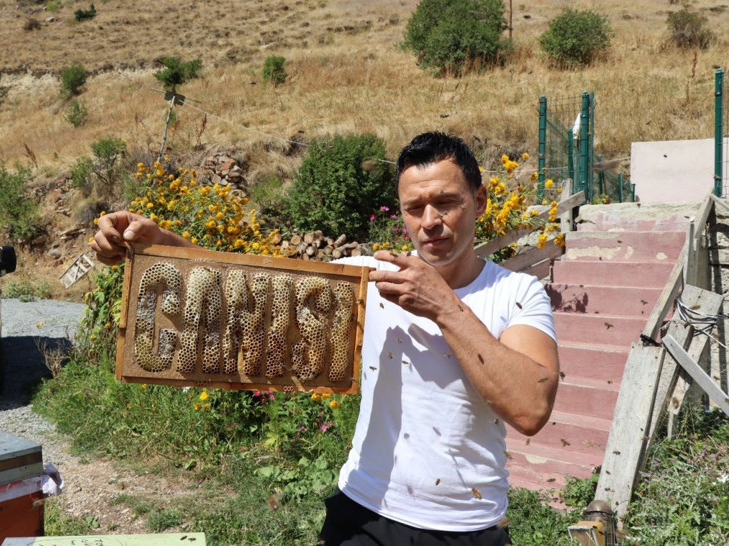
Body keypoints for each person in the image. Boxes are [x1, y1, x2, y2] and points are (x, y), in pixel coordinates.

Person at [92, 132, 559, 545]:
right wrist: (158, 245)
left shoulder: (516, 292)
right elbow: (249, 289)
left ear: (478, 199)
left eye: (447, 202)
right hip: (363, 512)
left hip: (468, 526)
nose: (429, 220)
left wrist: (442, 306)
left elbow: (530, 407)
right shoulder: (367, 281)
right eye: (414, 208)